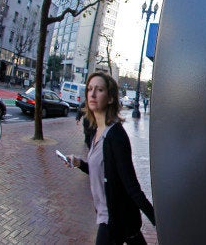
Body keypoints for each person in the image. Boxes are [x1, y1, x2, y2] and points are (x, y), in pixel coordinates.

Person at [65, 72, 155, 244]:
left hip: (115, 218)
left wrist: (157, 221)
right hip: (110, 215)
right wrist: (79, 164)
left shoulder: (116, 136)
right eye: (90, 89)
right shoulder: (95, 131)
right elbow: (104, 171)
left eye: (99, 90)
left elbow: (131, 185)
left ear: (111, 98)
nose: (92, 94)